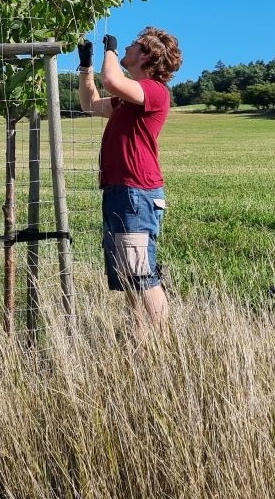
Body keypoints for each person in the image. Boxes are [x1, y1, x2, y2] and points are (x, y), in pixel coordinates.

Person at [77, 27, 183, 339]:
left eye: (134, 45)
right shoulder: (127, 100)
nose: (126, 48)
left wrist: (109, 50)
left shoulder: (154, 90)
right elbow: (89, 103)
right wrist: (86, 66)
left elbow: (111, 80)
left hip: (136, 191)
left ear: (147, 57)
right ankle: (140, 338)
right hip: (122, 191)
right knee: (130, 274)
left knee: (141, 274)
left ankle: (160, 342)